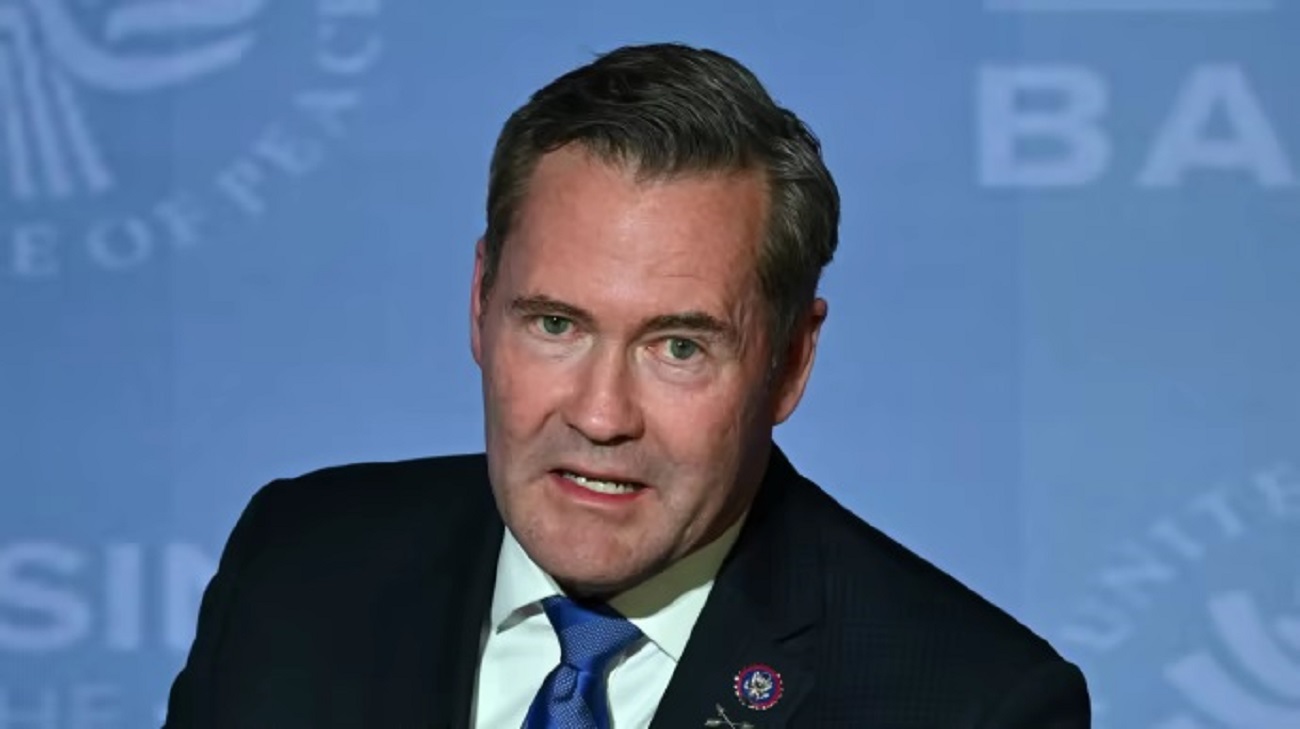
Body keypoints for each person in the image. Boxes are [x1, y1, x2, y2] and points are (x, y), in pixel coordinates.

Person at [163, 43, 1090, 728]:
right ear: (480, 301)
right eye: (555, 325)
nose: (601, 414)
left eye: (678, 346)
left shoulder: (969, 703)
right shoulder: (296, 568)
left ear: (790, 362)